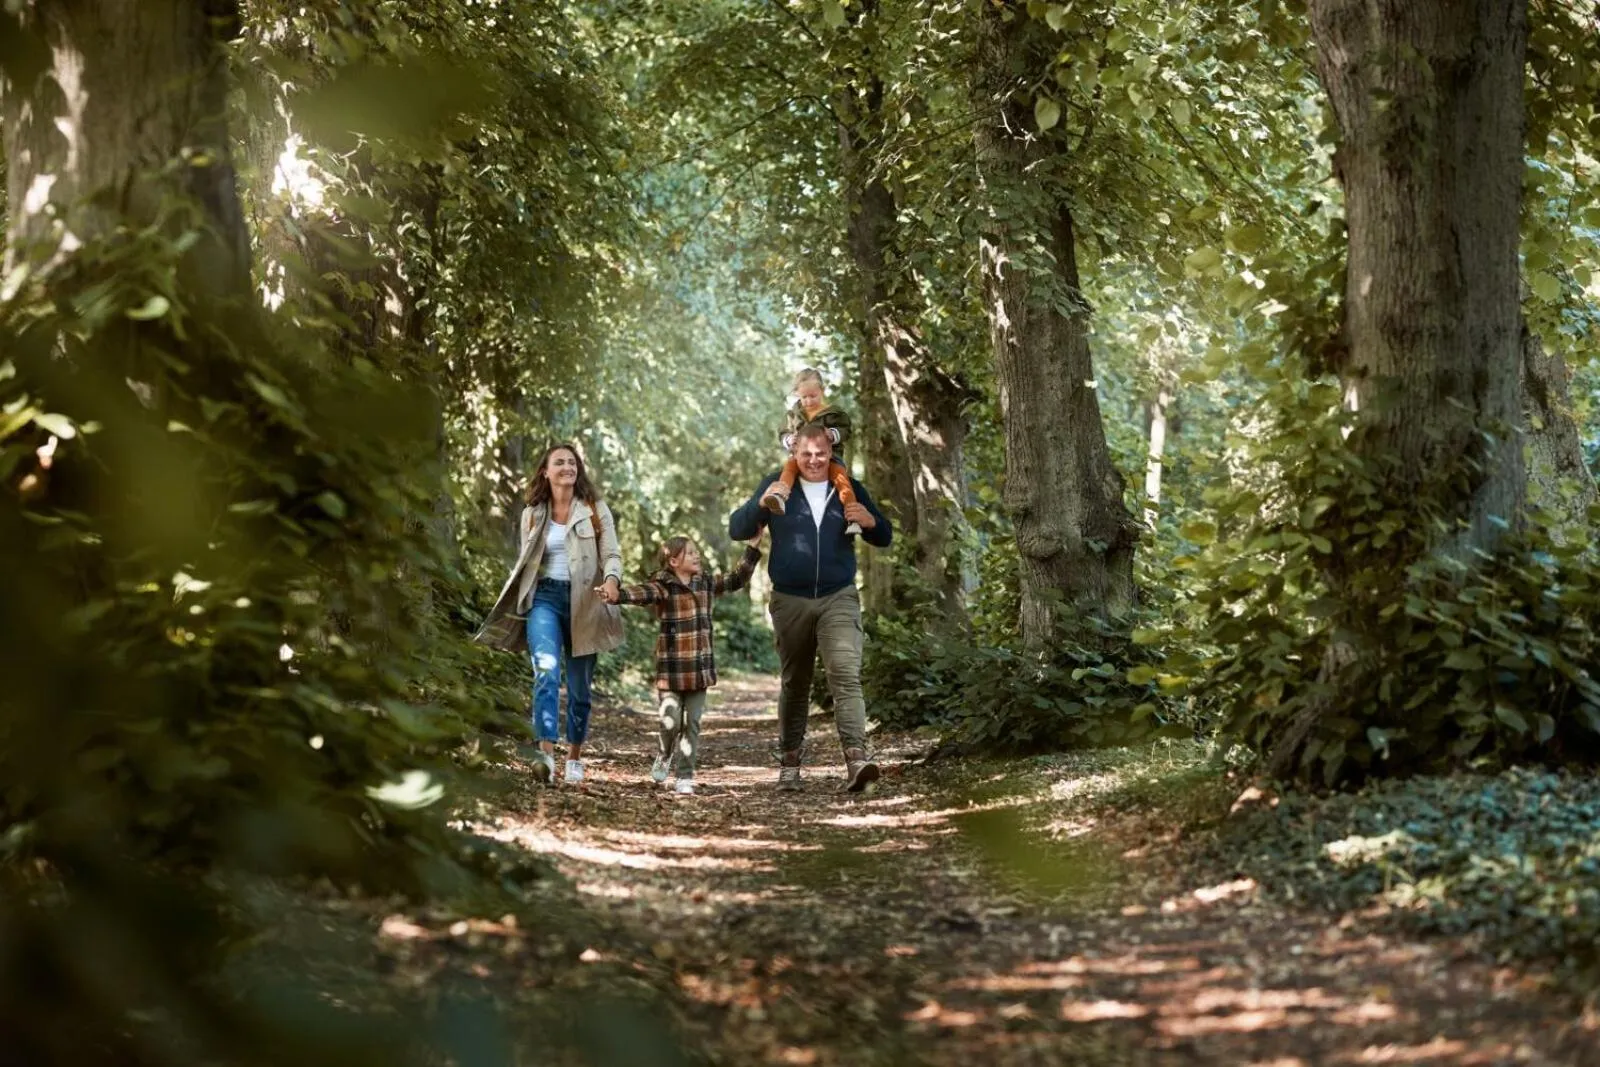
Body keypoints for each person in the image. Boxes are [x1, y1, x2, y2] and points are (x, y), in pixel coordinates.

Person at [729, 423, 892, 793]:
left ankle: (857, 759)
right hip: (790, 599)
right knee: (795, 682)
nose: (815, 461)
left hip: (839, 595)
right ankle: (789, 763)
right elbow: (737, 529)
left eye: (821, 454)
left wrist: (871, 522)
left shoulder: (847, 484)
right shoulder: (778, 484)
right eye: (807, 454)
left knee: (846, 675)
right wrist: (758, 503)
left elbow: (883, 535)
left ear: (830, 452)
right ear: (795, 453)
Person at [474, 443, 624, 785]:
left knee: (580, 688)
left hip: (587, 601)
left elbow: (612, 554)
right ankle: (545, 755)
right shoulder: (532, 513)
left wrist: (613, 580)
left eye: (572, 462)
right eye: (560, 462)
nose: (567, 467)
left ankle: (574, 757)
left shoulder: (595, 510)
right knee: (545, 671)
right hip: (544, 598)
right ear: (546, 471)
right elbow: (525, 564)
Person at [596, 530, 764, 795]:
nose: (697, 556)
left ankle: (685, 776)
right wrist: (618, 594)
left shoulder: (706, 582)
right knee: (670, 721)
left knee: (692, 723)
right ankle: (664, 753)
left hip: (699, 669)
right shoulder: (664, 585)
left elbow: (736, 579)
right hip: (672, 670)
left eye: (697, 552)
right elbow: (643, 593)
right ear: (673, 561)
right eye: (691, 553)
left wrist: (752, 548)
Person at [759, 367, 861, 535]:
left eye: (812, 396)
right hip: (800, 457)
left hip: (830, 456)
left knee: (841, 479)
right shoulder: (793, 415)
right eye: (803, 397)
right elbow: (783, 432)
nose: (808, 401)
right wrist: (788, 440)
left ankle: (853, 517)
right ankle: (779, 496)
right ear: (798, 395)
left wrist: (833, 434)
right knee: (789, 469)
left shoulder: (834, 413)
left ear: (822, 391)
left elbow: (846, 430)